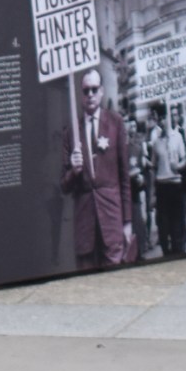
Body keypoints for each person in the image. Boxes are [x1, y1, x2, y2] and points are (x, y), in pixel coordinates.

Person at [62, 68, 132, 270]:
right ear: (81, 94)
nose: (90, 95)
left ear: (101, 91)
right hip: (85, 229)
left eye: (94, 89)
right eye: (86, 91)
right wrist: (73, 172)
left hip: (112, 221)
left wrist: (127, 222)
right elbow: (64, 186)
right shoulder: (70, 132)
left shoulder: (115, 123)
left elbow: (124, 176)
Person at [148, 101, 186, 256]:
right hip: (162, 187)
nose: (164, 121)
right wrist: (152, 194)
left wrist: (177, 166)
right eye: (161, 118)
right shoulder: (156, 142)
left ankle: (178, 251)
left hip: (175, 185)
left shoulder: (178, 137)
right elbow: (153, 168)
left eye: (166, 118)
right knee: (163, 225)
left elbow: (185, 159)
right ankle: (167, 253)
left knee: (177, 224)